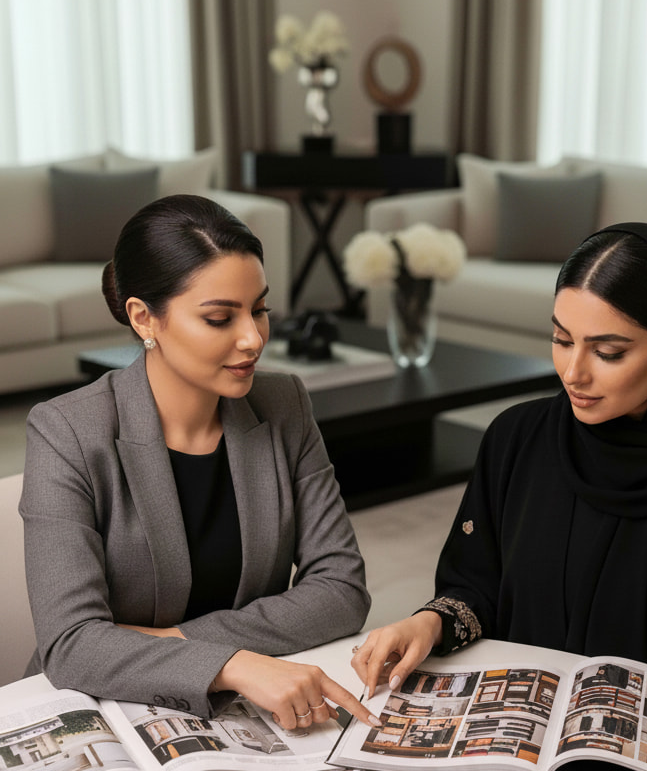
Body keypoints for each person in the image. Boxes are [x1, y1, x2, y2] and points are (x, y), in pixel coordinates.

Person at [352, 221, 647, 771]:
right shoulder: (517, 439)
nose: (574, 373)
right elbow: (477, 587)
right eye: (562, 339)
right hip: (516, 768)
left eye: (609, 352)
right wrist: (427, 622)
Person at [21, 194, 380, 733]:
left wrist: (175, 642)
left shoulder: (284, 404)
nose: (253, 338)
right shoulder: (65, 431)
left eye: (260, 309)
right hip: (97, 709)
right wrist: (230, 664)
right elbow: (71, 646)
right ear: (145, 318)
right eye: (219, 318)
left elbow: (341, 591)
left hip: (248, 713)